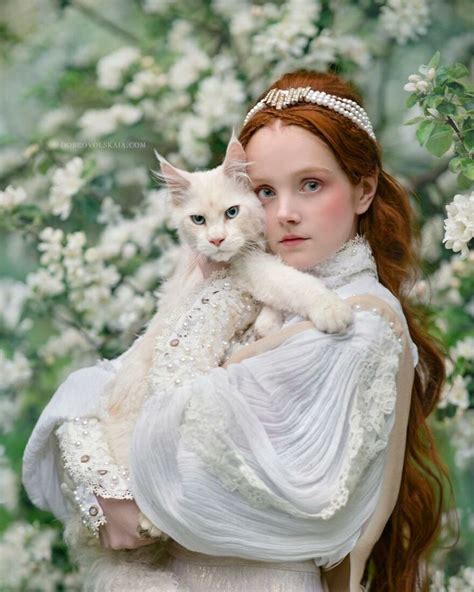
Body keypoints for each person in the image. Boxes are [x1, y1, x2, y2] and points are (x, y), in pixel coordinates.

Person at [22, 70, 451, 592]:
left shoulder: (356, 323)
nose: (286, 214)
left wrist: (104, 473)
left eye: (311, 184)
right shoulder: (247, 286)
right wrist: (100, 474)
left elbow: (186, 472)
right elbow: (101, 392)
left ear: (362, 190)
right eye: (265, 191)